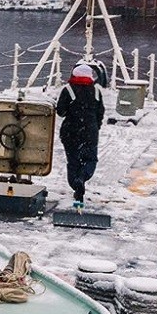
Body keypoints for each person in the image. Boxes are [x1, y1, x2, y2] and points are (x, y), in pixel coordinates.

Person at [54, 61, 109, 208]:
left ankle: (75, 185)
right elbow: (100, 112)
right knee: (90, 159)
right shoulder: (96, 91)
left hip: (70, 131)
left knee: (73, 161)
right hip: (90, 132)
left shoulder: (68, 90)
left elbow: (61, 112)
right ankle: (82, 178)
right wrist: (95, 126)